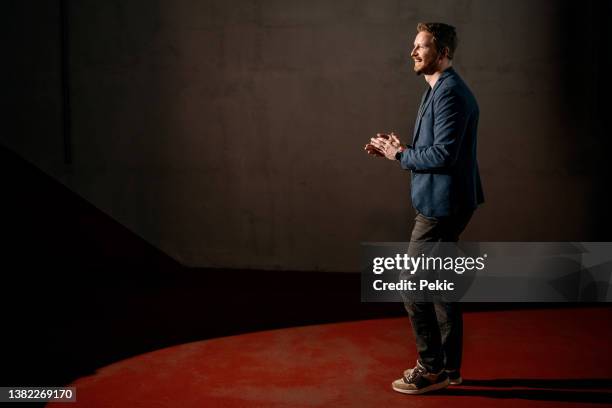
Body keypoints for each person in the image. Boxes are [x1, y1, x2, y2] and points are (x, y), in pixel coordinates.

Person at [364, 22, 484, 395]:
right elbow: (432, 147)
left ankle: (431, 368)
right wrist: (400, 148)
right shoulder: (436, 89)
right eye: (414, 46)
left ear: (443, 52)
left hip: (441, 207)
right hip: (444, 201)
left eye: (422, 47)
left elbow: (444, 155)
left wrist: (399, 153)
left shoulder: (450, 94)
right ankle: (450, 368)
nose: (413, 52)